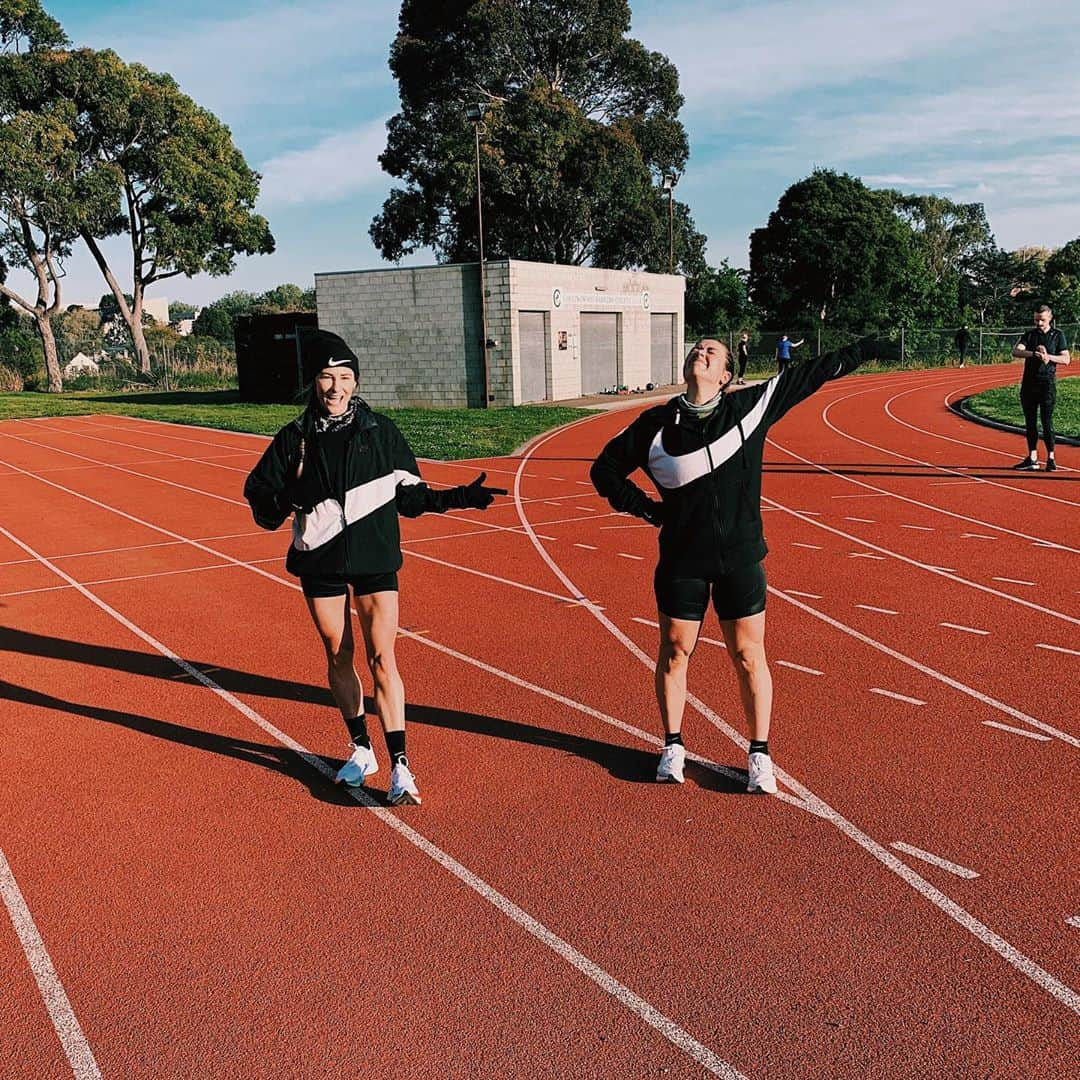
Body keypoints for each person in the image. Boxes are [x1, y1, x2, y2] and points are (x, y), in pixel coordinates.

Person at [590, 335, 890, 793]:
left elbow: (811, 373)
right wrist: (647, 509)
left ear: (725, 376)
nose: (700, 353)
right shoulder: (655, 424)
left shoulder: (749, 408)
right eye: (696, 348)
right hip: (682, 559)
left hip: (741, 557)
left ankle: (760, 754)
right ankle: (672, 746)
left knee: (749, 656)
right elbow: (604, 470)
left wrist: (865, 349)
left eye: (711, 351)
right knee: (674, 651)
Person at [244, 330, 506, 804]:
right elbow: (260, 503)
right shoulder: (294, 439)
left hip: (373, 556)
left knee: (382, 658)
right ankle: (361, 749)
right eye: (326, 377)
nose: (335, 387)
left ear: (356, 381)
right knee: (337, 655)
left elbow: (410, 497)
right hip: (319, 557)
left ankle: (401, 766)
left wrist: (460, 497)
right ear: (314, 383)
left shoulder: (381, 432)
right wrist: (287, 497)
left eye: (344, 377)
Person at [1011, 304, 1070, 472]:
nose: (1038, 323)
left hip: (1047, 384)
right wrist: (1033, 354)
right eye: (1036, 319)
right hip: (1029, 384)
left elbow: (1066, 359)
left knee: (1046, 421)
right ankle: (1033, 457)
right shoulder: (1030, 335)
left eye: (1042, 320)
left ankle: (1051, 457)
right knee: (1030, 422)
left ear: (1050, 318)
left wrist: (1048, 357)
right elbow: (1016, 351)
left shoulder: (1057, 335)